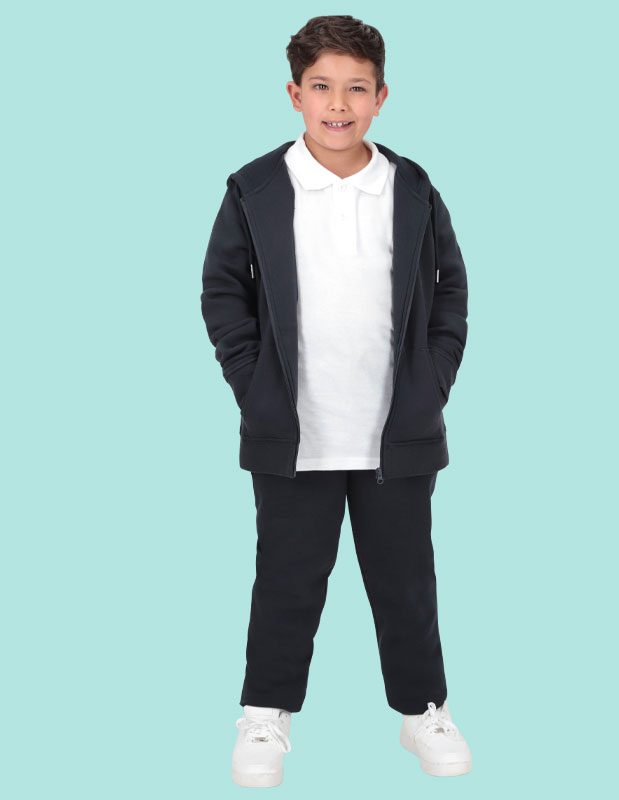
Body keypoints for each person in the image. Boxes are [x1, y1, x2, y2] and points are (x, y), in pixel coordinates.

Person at [200, 14, 471, 788]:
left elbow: (450, 293)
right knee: (286, 579)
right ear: (295, 94)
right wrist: (255, 386)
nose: (339, 104)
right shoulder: (256, 189)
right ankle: (264, 714)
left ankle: (423, 711)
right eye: (322, 87)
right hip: (295, 434)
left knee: (406, 581)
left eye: (357, 88)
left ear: (382, 97)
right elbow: (223, 293)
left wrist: (430, 383)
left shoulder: (411, 188)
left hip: (396, 434)